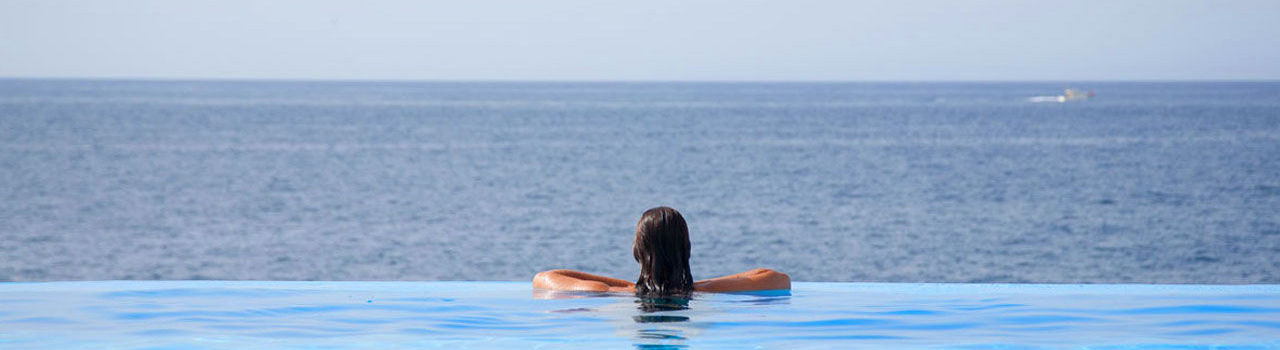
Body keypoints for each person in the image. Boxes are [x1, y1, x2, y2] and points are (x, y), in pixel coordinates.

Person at [533, 206, 790, 295]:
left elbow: (544, 277)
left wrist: (629, 286)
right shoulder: (706, 292)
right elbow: (778, 278)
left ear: (637, 251)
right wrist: (702, 285)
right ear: (686, 249)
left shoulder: (609, 293)